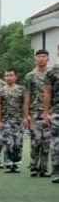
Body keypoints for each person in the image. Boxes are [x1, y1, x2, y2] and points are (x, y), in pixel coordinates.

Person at [24, 50, 51, 177]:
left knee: (46, 142)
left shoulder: (52, 75)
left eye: (44, 56)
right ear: (35, 59)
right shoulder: (30, 76)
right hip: (34, 112)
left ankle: (43, 168)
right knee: (35, 141)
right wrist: (26, 115)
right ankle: (34, 167)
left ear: (48, 59)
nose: (41, 58)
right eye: (39, 56)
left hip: (49, 112)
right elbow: (27, 95)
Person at [0, 70, 24, 173]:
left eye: (11, 75)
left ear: (16, 77)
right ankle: (8, 163)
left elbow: (24, 104)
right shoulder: (1, 90)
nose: (8, 77)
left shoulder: (21, 89)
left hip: (18, 120)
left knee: (17, 143)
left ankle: (15, 164)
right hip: (6, 120)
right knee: (7, 142)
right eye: (6, 75)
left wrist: (25, 117)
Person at [44, 47, 59, 183]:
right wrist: (46, 112)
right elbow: (47, 93)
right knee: (56, 143)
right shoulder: (52, 72)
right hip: (57, 112)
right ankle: (56, 172)